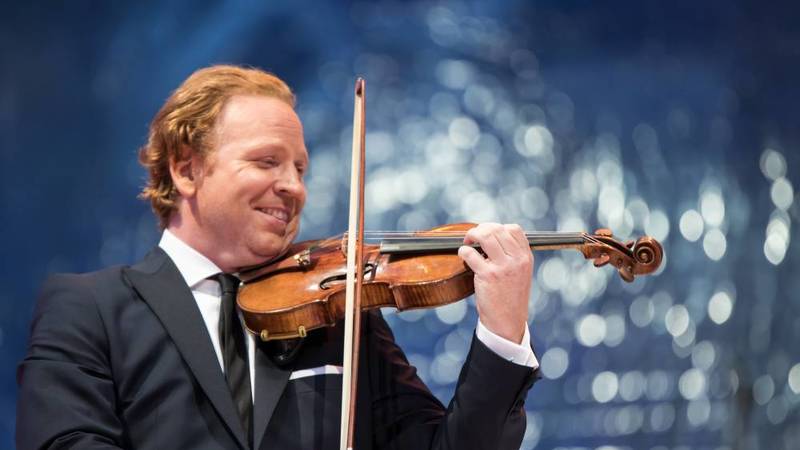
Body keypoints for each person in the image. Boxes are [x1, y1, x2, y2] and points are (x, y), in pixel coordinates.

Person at [17, 65, 540, 450]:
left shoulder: (342, 319)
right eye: (267, 161)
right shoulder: (89, 309)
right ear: (186, 171)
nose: (293, 187)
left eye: (300, 168)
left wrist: (502, 331)